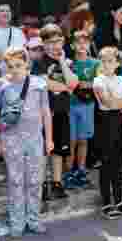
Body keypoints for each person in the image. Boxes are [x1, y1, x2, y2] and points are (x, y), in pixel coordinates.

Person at [0, 47, 52, 236]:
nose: (14, 69)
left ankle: (33, 219)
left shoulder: (39, 83)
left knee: (35, 180)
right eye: (10, 66)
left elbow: (46, 112)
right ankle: (17, 222)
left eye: (18, 65)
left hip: (34, 138)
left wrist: (49, 138)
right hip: (11, 139)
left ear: (27, 64)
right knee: (16, 180)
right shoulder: (0, 84)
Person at [32, 24, 77, 201]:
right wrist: (67, 87)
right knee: (44, 149)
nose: (54, 46)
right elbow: (45, 83)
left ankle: (57, 183)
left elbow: (74, 82)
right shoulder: (39, 62)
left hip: (61, 111)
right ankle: (43, 185)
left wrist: (62, 63)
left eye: (58, 41)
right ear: (43, 44)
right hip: (45, 112)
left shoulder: (66, 61)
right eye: (50, 42)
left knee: (59, 149)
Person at [93, 46, 122, 218]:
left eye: (110, 61)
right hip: (104, 122)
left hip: (118, 121)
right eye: (103, 61)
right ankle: (106, 202)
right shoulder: (99, 80)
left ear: (117, 63)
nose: (106, 64)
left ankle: (119, 200)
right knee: (106, 164)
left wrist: (118, 100)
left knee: (118, 163)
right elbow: (107, 103)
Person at [68, 30, 98, 188]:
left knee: (83, 140)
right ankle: (69, 171)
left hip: (87, 105)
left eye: (85, 42)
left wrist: (89, 84)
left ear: (89, 44)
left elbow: (100, 82)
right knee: (71, 140)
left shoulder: (95, 63)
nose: (81, 45)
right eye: (78, 42)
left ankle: (81, 169)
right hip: (71, 105)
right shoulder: (68, 63)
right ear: (72, 45)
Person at [0, 4, 26, 78]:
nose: (6, 13)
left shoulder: (18, 32)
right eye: (2, 11)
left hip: (15, 74)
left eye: (8, 11)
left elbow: (24, 52)